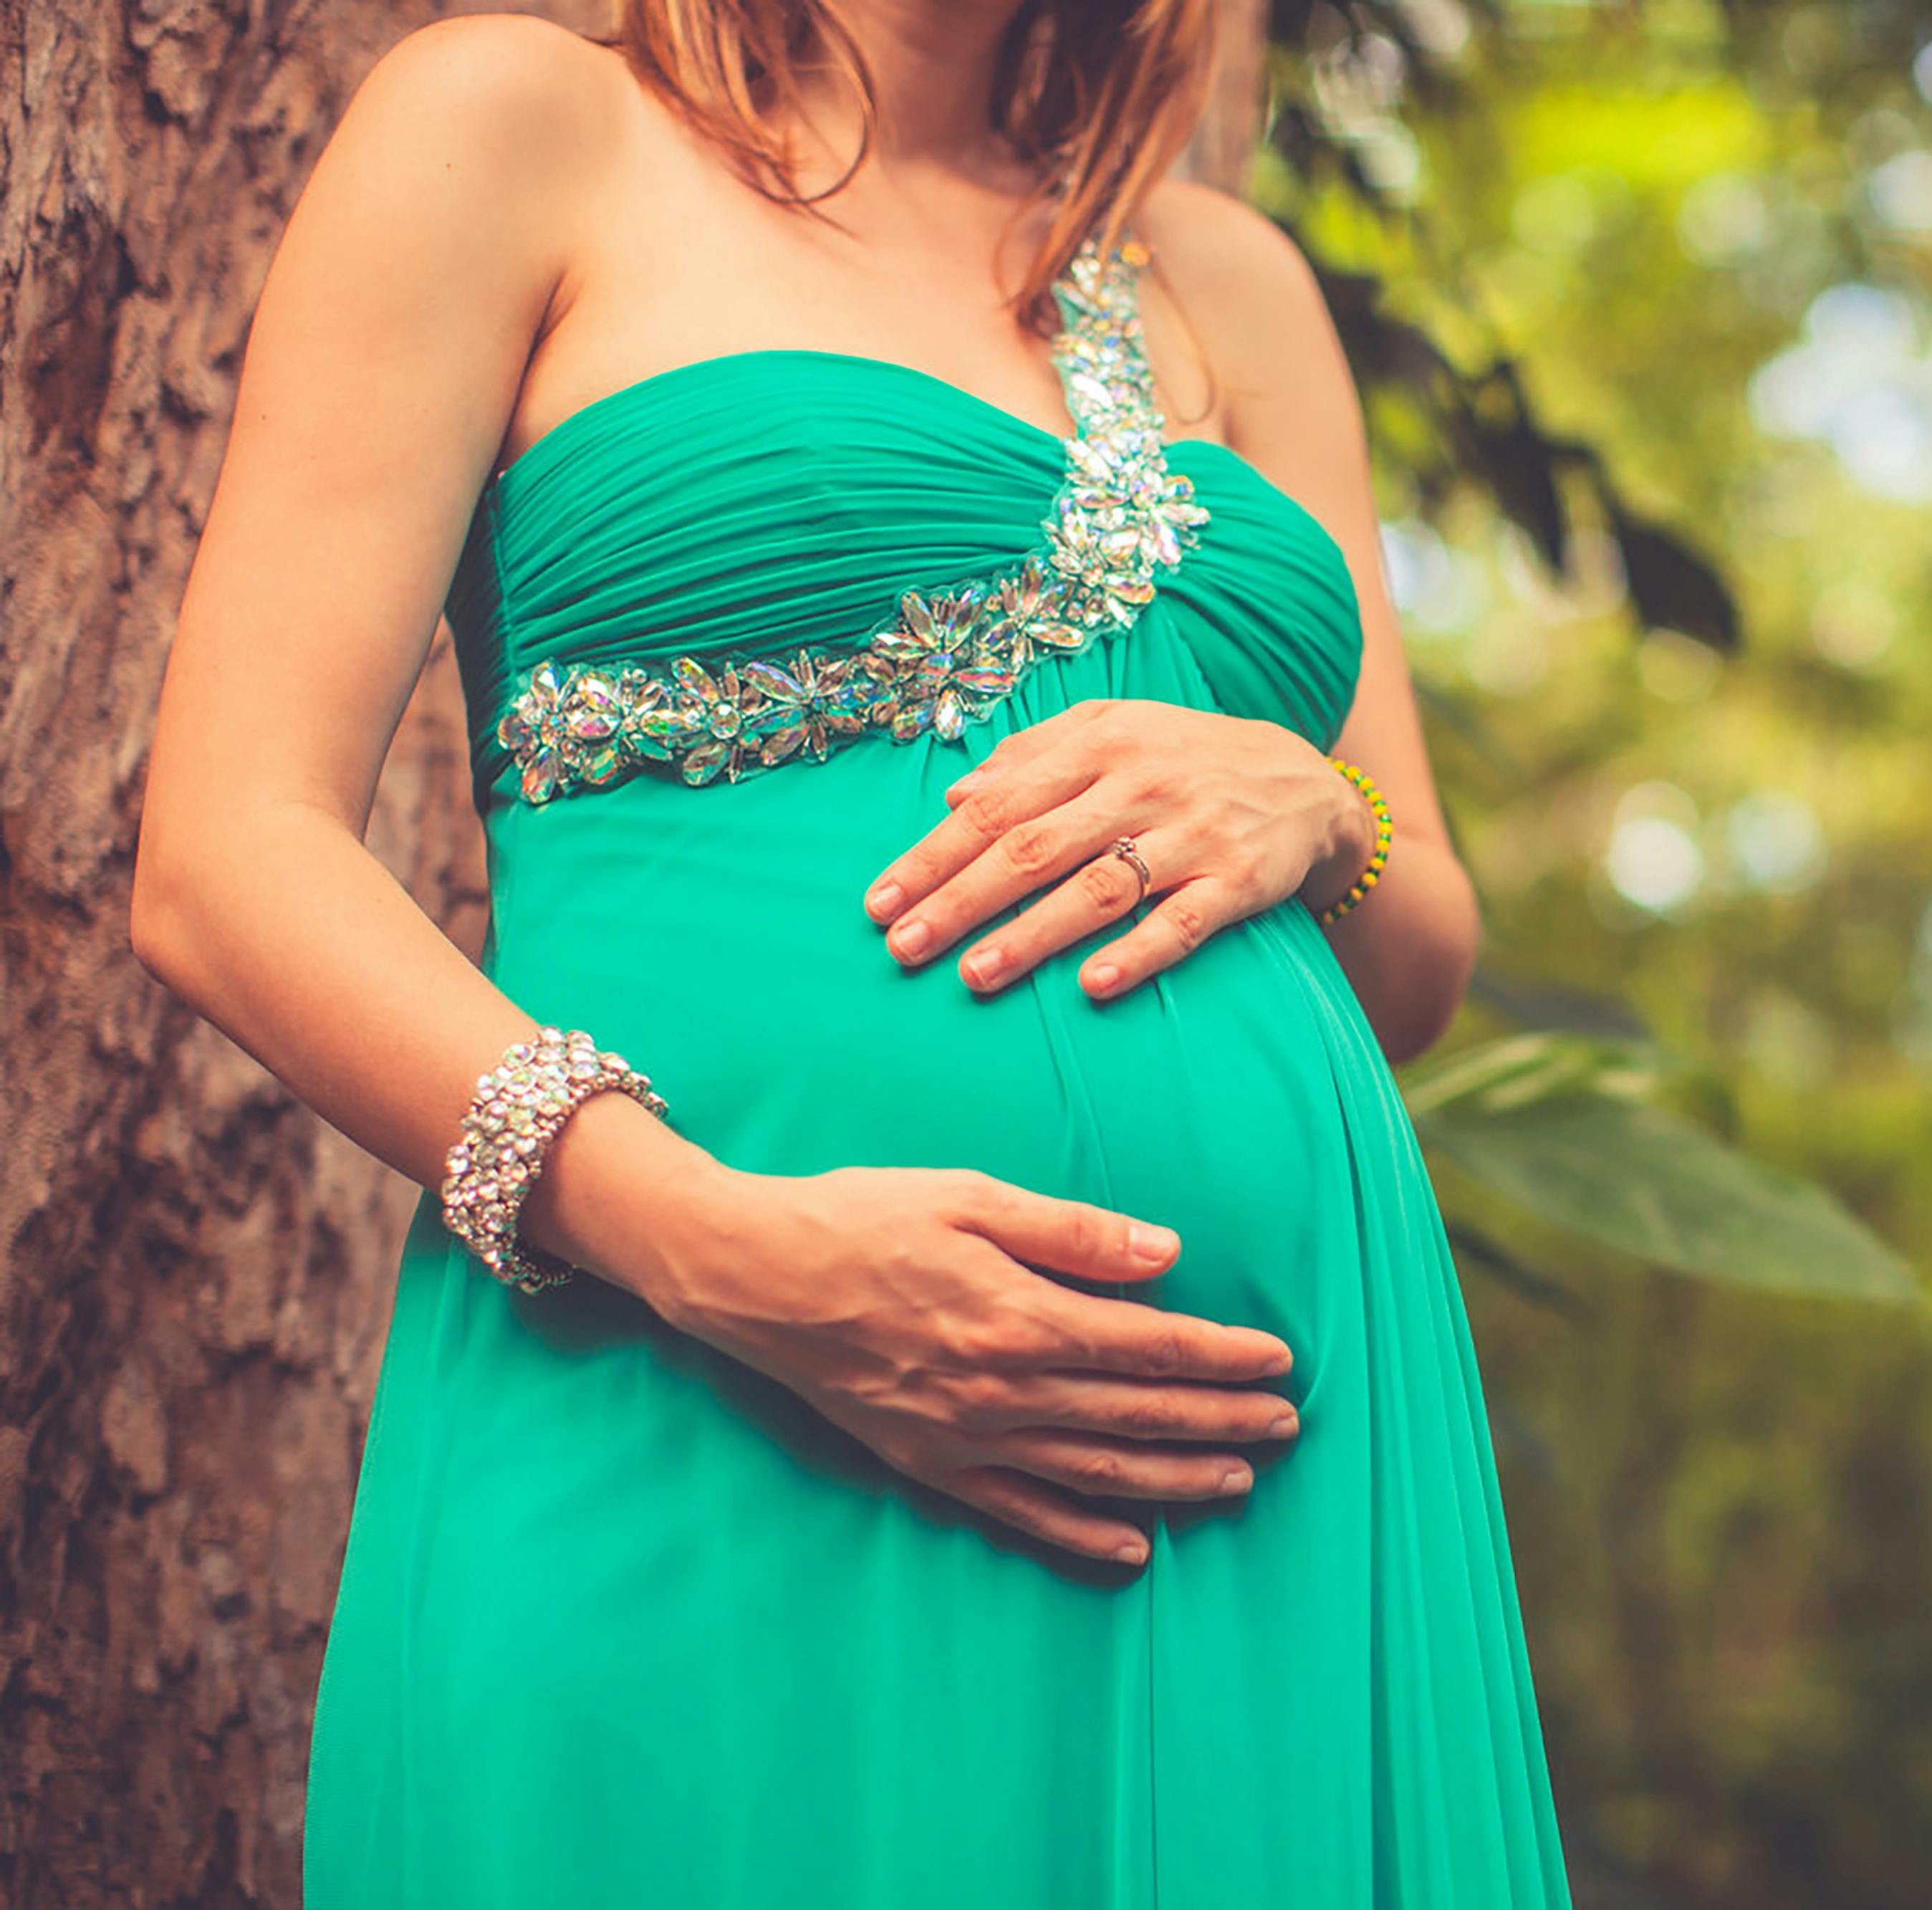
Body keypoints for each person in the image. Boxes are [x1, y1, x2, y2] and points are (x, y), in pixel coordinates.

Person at [128, 1, 1572, 1901]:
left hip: (1250, 1487)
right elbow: (226, 852)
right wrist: (711, 1244)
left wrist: (1319, 808)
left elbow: (1419, 953)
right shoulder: (522, 125)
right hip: (694, 1385)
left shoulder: (1219, 272)